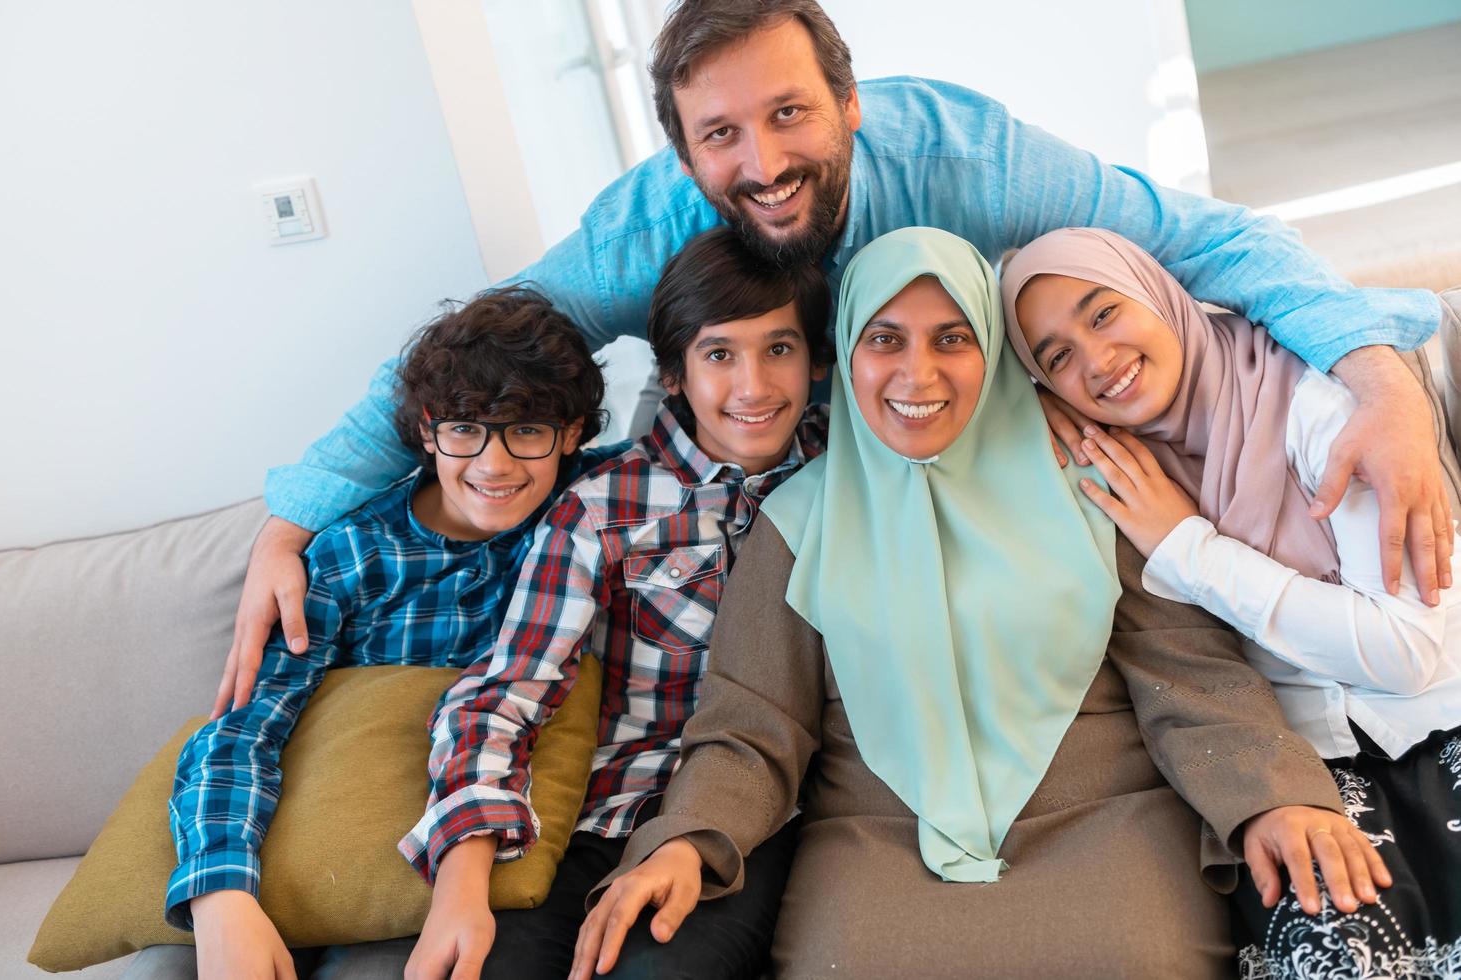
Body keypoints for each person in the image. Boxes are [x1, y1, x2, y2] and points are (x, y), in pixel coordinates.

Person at [217, 0, 1454, 717]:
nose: (760, 160)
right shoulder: (648, 224)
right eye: (721, 135)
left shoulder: (969, 153)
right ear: (685, 155)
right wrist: (294, 515)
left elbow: (1203, 236)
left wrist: (1383, 374)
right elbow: (486, 345)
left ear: (850, 102)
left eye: (789, 113)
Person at [571, 227, 1386, 979]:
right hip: (878, 842)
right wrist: (683, 843)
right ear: (844, 358)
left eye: (951, 338)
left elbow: (1190, 675)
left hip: (1106, 821)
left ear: (993, 349)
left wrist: (1274, 796)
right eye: (884, 340)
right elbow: (751, 727)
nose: (916, 374)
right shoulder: (796, 523)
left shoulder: (1094, 487)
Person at [999, 227, 1461, 978]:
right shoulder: (1123, 465)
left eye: (1103, 313)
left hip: (1441, 718)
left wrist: (1188, 548)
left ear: (1160, 295)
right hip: (1308, 765)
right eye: (1056, 358)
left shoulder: (1319, 403)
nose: (1096, 360)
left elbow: (1406, 656)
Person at [129, 287, 619, 980]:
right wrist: (222, 895)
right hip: (295, 842)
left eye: (528, 430)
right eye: (464, 429)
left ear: (571, 434)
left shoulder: (593, 508)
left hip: (440, 865)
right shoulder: (353, 553)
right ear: (426, 429)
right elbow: (243, 728)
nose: (495, 463)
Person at [398, 227, 831, 980]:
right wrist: (459, 888)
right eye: (719, 354)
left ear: (819, 363)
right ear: (673, 374)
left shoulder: (847, 476)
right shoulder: (603, 507)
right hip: (607, 811)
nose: (753, 386)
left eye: (780, 350)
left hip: (753, 821)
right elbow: (506, 695)